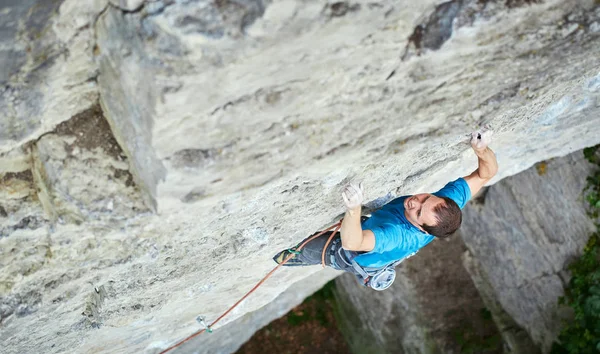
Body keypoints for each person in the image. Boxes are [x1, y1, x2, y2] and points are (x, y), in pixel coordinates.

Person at [273, 130, 498, 289]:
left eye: (418, 212)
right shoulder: (445, 206)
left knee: (307, 248)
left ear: (422, 228)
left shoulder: (397, 235)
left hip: (356, 253)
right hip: (379, 232)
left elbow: (353, 243)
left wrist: (353, 209)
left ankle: (287, 258)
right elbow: (486, 173)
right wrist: (482, 149)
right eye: (425, 198)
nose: (414, 202)